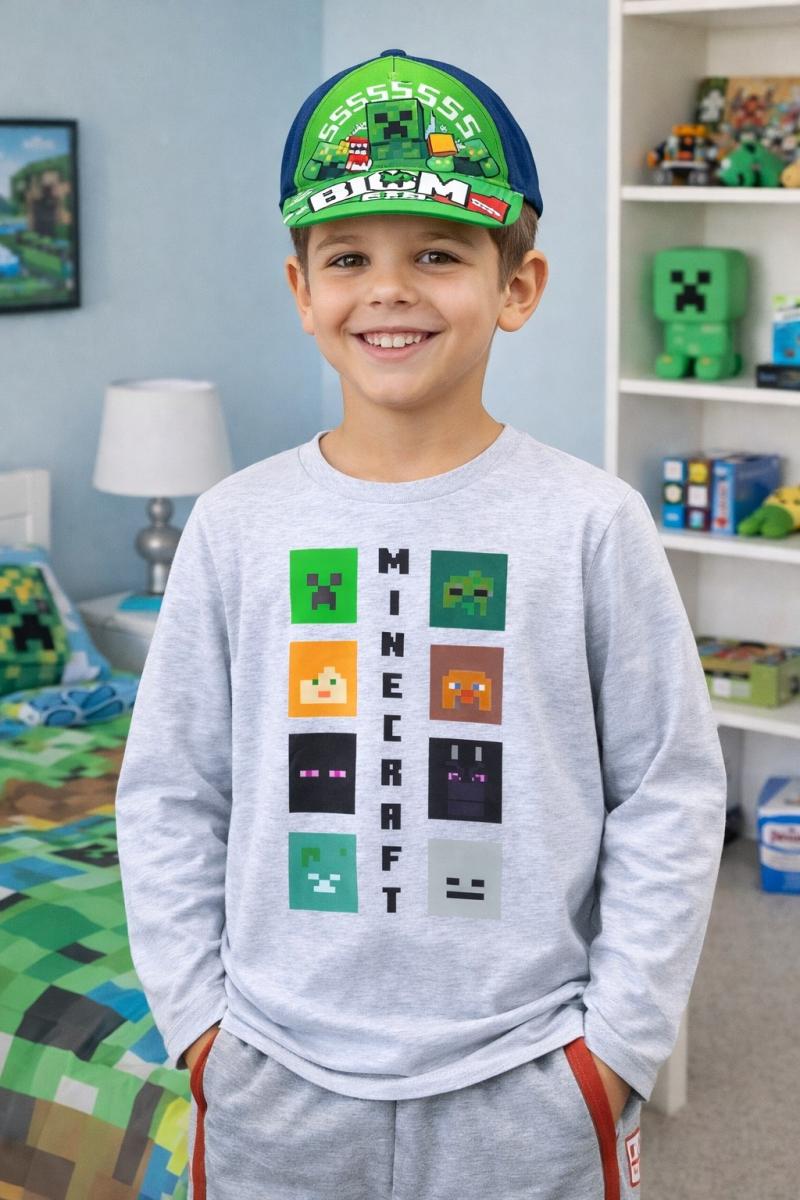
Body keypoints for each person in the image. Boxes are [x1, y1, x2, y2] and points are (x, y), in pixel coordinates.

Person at [115, 48, 728, 1200]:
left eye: (437, 254)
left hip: (529, 1078)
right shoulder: (236, 525)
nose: (388, 290)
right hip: (271, 1080)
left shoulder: (591, 523)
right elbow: (170, 792)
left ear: (517, 286)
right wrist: (198, 1024)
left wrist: (615, 1047)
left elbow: (668, 791)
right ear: (301, 290)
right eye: (348, 257)